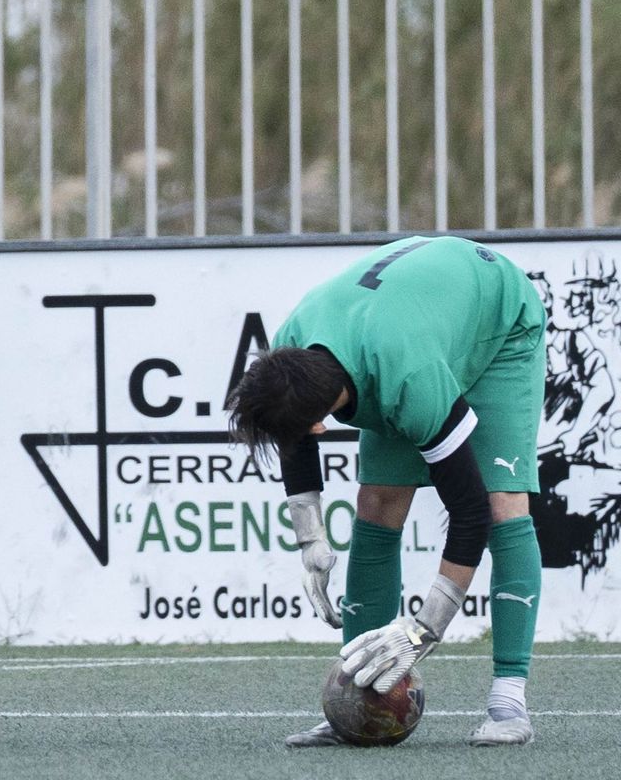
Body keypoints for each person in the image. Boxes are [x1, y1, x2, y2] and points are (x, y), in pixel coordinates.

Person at [227, 235, 546, 747]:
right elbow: (295, 436)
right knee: (377, 501)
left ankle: (509, 700)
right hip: (403, 327)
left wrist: (422, 631)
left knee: (500, 501)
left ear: (318, 423)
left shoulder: (409, 380)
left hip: (498, 322)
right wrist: (310, 540)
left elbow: (468, 515)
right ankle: (353, 697)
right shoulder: (290, 349)